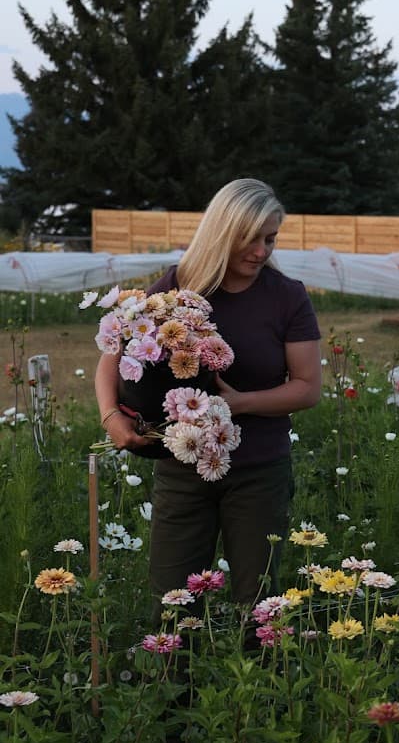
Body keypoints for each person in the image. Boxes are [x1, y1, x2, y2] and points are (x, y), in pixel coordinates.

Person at [95, 179, 322, 619]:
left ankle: (254, 665)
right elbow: (111, 358)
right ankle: (176, 666)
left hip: (258, 471)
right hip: (181, 470)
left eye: (270, 239)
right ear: (222, 233)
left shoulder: (286, 297)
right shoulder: (177, 289)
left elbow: (307, 387)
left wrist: (238, 404)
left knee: (259, 606)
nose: (261, 251)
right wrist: (110, 417)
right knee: (172, 604)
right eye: (249, 238)